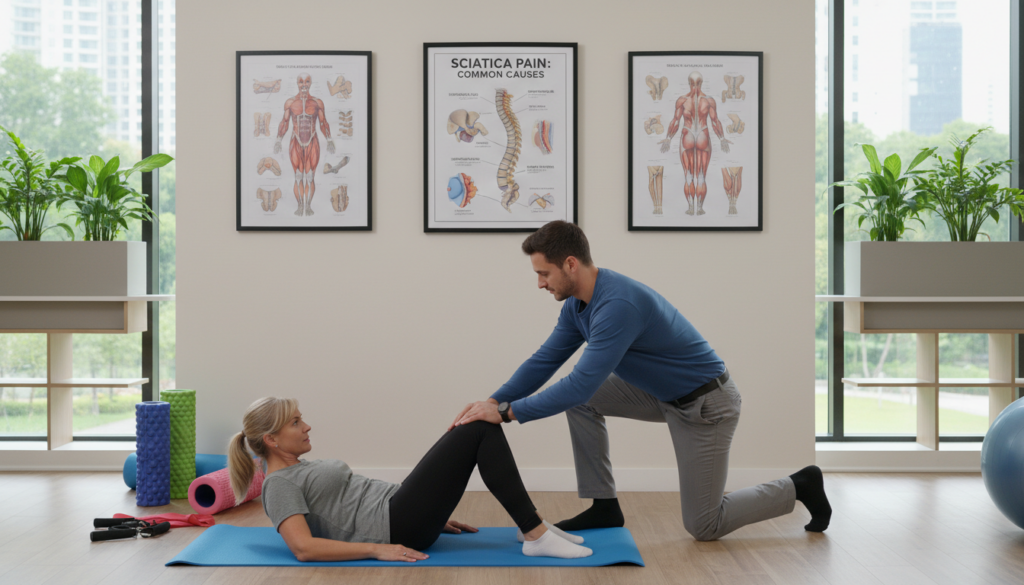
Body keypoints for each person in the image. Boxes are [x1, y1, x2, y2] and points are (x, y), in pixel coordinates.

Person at [451, 221, 831, 541]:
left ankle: (800, 486)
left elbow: (580, 384)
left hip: (705, 405)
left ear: (569, 265)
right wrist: (491, 401)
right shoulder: (577, 305)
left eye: (543, 273)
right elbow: (544, 360)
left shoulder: (618, 306)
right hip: (658, 393)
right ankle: (604, 507)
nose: (539, 284)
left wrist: (507, 413)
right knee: (582, 402)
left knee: (704, 524)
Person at [229, 397, 592, 563]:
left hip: (403, 512)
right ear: (271, 440)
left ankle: (533, 527)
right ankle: (534, 533)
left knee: (479, 428)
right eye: (295, 422)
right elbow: (303, 548)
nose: (306, 426)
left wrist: (432, 514)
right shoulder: (278, 485)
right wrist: (376, 549)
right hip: (395, 524)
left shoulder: (296, 468)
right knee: (478, 428)